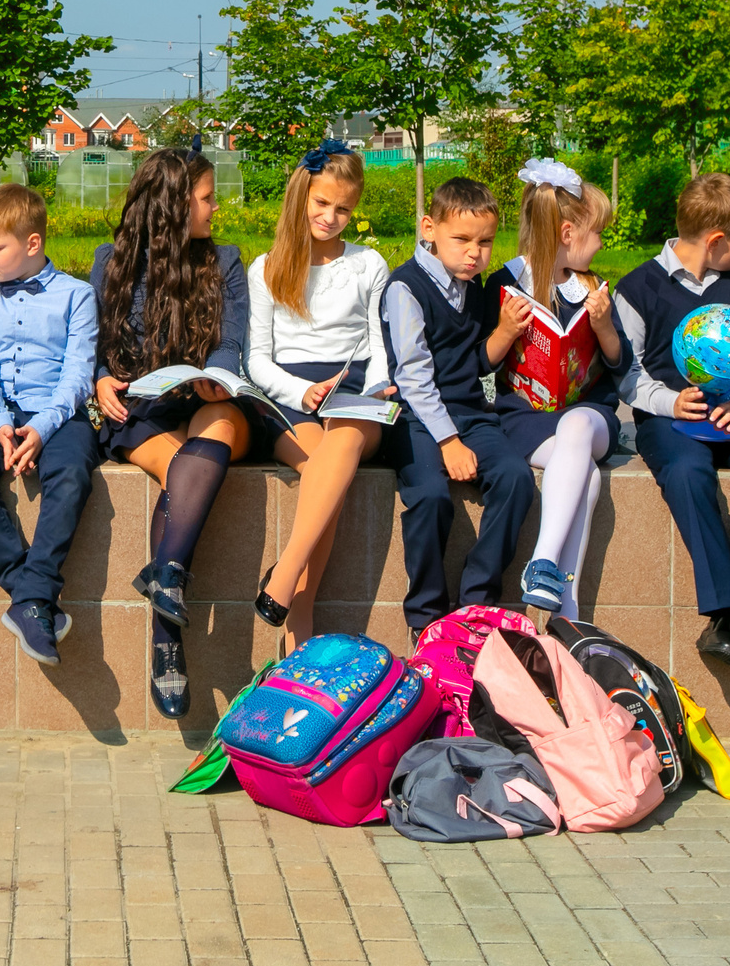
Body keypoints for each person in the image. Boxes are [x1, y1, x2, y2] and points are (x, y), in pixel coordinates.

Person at [91, 145, 259, 718]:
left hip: (210, 402)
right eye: (207, 198)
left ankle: (165, 595)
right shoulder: (109, 262)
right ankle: (168, 622)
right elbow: (93, 344)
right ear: (172, 206)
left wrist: (219, 372)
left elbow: (232, 338)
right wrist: (99, 379)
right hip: (141, 410)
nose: (215, 208)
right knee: (183, 475)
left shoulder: (225, 262)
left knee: (211, 434)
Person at [614, 172, 730, 692]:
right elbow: (627, 374)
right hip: (672, 419)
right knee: (690, 475)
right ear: (717, 241)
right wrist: (670, 401)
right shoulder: (639, 286)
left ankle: (727, 621)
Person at [246, 140, 395, 653]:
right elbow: (258, 360)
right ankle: (301, 615)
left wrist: (377, 388)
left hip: (354, 390)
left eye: (344, 209)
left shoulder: (368, 264)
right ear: (300, 197)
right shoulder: (267, 267)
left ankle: (284, 578)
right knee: (321, 473)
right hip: (291, 396)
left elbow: (379, 346)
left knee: (345, 439)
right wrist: (301, 391)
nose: (331, 217)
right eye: (321, 204)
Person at [0, 184, 101, 666]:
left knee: (72, 473)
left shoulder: (78, 295)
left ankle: (31, 595)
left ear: (32, 244)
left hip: (57, 410)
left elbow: (78, 375)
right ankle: (30, 595)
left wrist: (41, 429)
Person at [379, 177, 535, 633]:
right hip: (416, 420)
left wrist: (504, 333)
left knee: (515, 477)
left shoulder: (469, 284)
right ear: (429, 228)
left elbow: (473, 364)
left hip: (469, 414)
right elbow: (413, 376)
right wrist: (447, 441)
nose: (474, 253)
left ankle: (476, 602)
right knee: (429, 496)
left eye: (485, 242)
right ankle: (425, 615)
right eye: (462, 239)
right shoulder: (406, 288)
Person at [489, 158, 627, 619]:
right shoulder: (505, 283)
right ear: (568, 234)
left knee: (577, 425)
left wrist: (604, 325)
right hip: (526, 420)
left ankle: (543, 559)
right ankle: (568, 610)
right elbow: (480, 362)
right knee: (582, 474)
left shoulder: (593, 288)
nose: (602, 244)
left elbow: (618, 361)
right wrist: (506, 332)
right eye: (597, 234)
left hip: (591, 416)